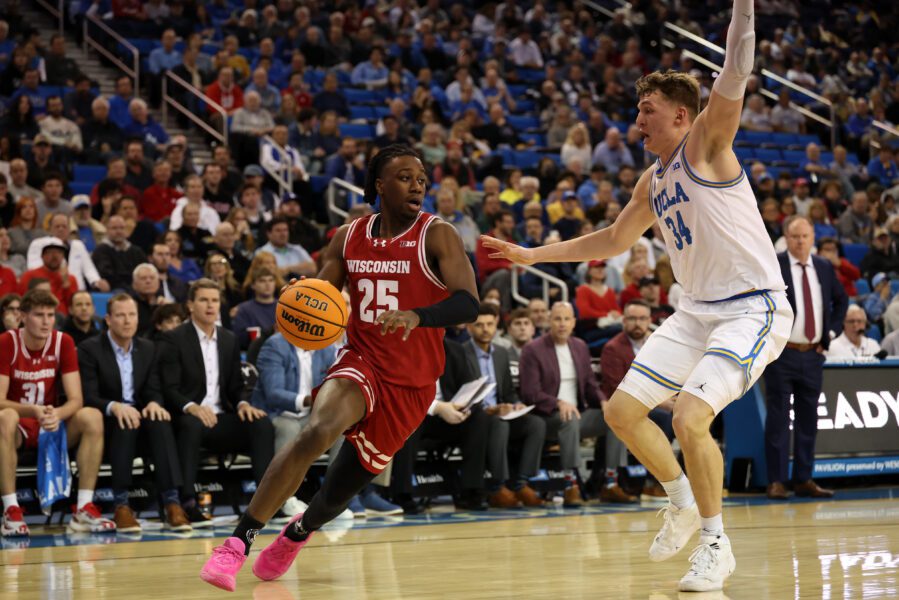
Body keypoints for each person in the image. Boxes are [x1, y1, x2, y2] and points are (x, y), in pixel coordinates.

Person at [480, 3, 793, 590]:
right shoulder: (652, 179)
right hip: (696, 311)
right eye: (636, 111)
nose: (637, 121)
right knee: (623, 412)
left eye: (646, 112)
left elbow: (735, 68)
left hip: (752, 308)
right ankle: (678, 497)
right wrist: (532, 255)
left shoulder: (706, 147)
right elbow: (614, 239)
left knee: (690, 417)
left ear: (681, 115)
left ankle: (715, 542)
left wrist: (744, 7)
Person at [200, 145, 479, 592]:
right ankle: (236, 544)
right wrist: (301, 297)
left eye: (422, 178)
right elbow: (321, 294)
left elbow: (468, 302)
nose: (418, 185)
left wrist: (418, 316)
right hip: (362, 359)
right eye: (405, 177)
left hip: (413, 385)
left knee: (337, 492)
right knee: (317, 430)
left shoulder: (438, 235)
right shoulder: (348, 237)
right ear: (378, 185)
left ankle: (297, 532)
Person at [159, 279, 275, 529]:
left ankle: (265, 503)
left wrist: (243, 404)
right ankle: (188, 502)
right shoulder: (174, 339)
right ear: (190, 305)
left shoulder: (228, 339)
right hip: (190, 416)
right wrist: (192, 406)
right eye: (203, 300)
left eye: (214, 300)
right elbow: (169, 388)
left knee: (261, 423)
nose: (210, 306)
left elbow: (235, 386)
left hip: (221, 417)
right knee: (190, 425)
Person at [0, 289, 116, 537]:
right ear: (22, 316)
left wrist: (59, 414)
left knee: (91, 416)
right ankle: (11, 510)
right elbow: (0, 401)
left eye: (50, 315)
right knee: (5, 417)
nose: (45, 321)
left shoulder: (63, 341)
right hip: (20, 423)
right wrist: (32, 410)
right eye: (39, 315)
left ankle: (83, 507)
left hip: (52, 423)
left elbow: (76, 399)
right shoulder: (7, 342)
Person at [78, 294, 190, 533]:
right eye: (120, 315)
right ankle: (122, 505)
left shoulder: (148, 348)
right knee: (125, 421)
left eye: (132, 315)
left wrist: (153, 403)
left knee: (160, 421)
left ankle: (172, 503)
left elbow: (153, 388)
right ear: (108, 319)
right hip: (106, 422)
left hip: (138, 418)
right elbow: (88, 395)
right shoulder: (90, 349)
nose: (127, 321)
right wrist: (114, 406)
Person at [764, 216, 847, 501]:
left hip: (813, 354)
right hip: (782, 353)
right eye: (795, 236)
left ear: (813, 238)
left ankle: (803, 478)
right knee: (778, 419)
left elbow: (842, 300)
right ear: (786, 238)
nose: (801, 241)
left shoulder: (823, 266)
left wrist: (831, 334)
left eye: (805, 236)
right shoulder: (774, 265)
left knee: (808, 419)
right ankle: (776, 480)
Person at [519, 302, 635, 506]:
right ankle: (570, 485)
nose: (562, 324)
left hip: (578, 414)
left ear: (573, 323)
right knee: (569, 418)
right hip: (547, 417)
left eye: (566, 319)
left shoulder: (580, 346)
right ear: (549, 321)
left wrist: (603, 401)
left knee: (616, 416)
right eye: (557, 319)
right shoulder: (532, 350)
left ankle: (610, 482)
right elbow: (530, 393)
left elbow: (590, 383)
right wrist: (558, 402)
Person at [464, 302, 545, 507]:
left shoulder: (501, 352)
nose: (485, 329)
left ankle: (520, 483)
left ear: (496, 325)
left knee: (536, 424)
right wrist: (485, 409)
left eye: (490, 324)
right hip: (476, 416)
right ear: (469, 327)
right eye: (480, 325)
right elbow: (459, 393)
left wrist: (516, 404)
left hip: (501, 413)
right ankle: (496, 486)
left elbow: (508, 391)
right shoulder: (461, 352)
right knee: (499, 424)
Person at [599, 300, 673, 500]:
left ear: (650, 320)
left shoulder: (657, 344)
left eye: (642, 319)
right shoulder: (612, 348)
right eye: (632, 318)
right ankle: (656, 480)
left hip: (654, 403)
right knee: (664, 418)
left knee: (683, 414)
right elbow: (616, 388)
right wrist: (658, 401)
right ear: (623, 321)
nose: (637, 323)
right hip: (625, 406)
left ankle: (670, 478)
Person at [19, 240, 79, 315]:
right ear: (42, 256)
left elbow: (74, 306)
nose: (55, 256)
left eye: (59, 252)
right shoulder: (29, 276)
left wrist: (66, 283)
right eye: (50, 252)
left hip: (65, 320)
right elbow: (23, 302)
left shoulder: (70, 279)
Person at [91, 215, 148, 291]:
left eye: (122, 228)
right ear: (107, 230)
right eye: (114, 228)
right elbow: (107, 275)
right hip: (115, 290)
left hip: (137, 289)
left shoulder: (136, 251)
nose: (119, 231)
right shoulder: (101, 251)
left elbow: (146, 269)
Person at [232, 267, 277, 349]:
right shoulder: (243, 309)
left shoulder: (284, 307)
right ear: (253, 285)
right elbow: (238, 339)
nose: (267, 284)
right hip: (254, 353)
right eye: (262, 281)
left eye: (271, 280)